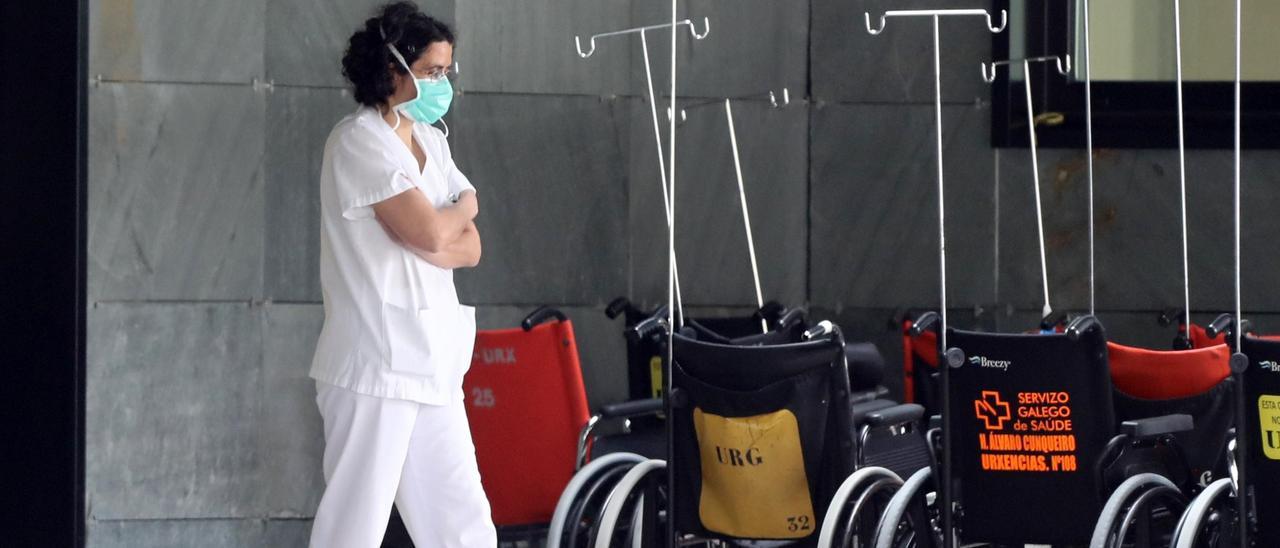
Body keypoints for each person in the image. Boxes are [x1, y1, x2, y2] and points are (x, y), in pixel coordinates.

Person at [307, 2, 494, 546]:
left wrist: (439, 226)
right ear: (393, 69)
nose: (443, 83)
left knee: (464, 524)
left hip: (433, 363)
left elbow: (470, 246)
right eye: (433, 71)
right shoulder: (357, 141)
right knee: (355, 525)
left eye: (445, 72)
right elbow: (438, 234)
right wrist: (453, 216)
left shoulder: (432, 140)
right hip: (374, 365)